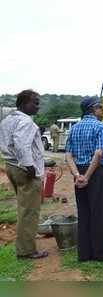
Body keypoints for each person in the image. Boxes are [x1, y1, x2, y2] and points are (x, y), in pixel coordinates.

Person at [65, 97, 103, 262]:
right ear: (94, 109)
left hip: (79, 173)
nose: (102, 111)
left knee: (85, 213)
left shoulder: (74, 128)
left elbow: (68, 155)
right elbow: (99, 153)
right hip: (97, 172)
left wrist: (77, 176)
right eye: (101, 108)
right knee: (101, 213)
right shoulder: (101, 126)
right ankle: (101, 254)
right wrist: (87, 176)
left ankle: (85, 254)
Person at [0, 89, 48, 259]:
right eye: (35, 103)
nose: (38, 107)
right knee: (29, 211)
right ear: (23, 104)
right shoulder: (27, 122)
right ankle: (27, 251)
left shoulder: (7, 120)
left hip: (11, 166)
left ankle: (24, 247)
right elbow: (21, 144)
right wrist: (29, 165)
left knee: (23, 208)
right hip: (24, 169)